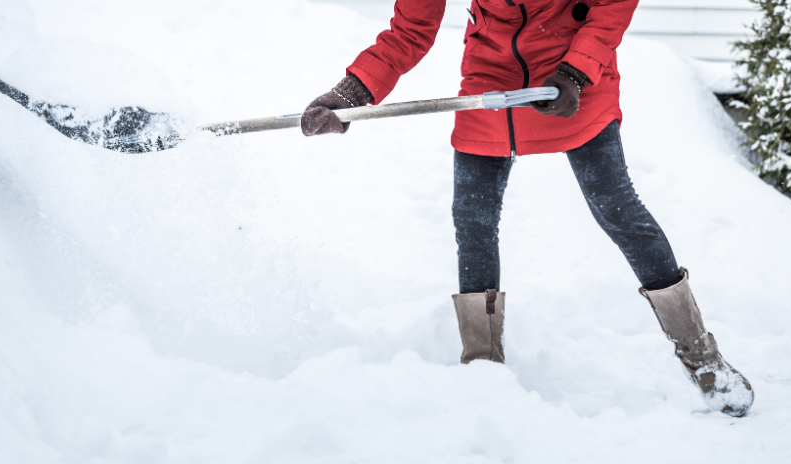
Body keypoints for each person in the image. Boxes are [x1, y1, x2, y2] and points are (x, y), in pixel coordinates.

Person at [301, 0, 754, 417]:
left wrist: (575, 73)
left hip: (574, 68)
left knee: (616, 207)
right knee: (472, 219)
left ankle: (703, 360)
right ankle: (483, 371)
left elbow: (611, 6)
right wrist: (351, 94)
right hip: (491, 77)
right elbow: (411, 29)